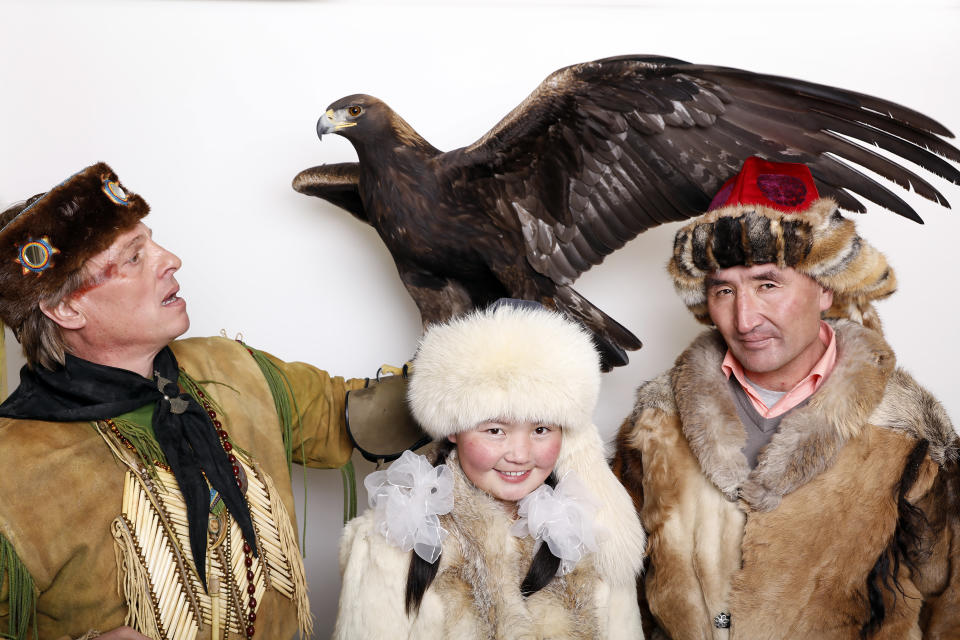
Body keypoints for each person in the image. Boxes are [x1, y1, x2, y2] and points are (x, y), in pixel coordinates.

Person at [0, 162, 370, 640]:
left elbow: (356, 413)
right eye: (134, 257)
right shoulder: (12, 468)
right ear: (66, 308)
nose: (170, 258)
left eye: (152, 240)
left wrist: (476, 365)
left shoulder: (229, 368)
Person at [613, 156, 960, 639]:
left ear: (823, 289)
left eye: (768, 284)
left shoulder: (905, 429)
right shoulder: (656, 420)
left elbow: (950, 600)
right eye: (723, 291)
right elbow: (613, 586)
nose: (745, 318)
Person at [333, 301, 646, 639]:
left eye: (541, 430)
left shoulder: (594, 534)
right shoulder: (394, 541)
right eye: (495, 430)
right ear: (455, 427)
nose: (520, 455)